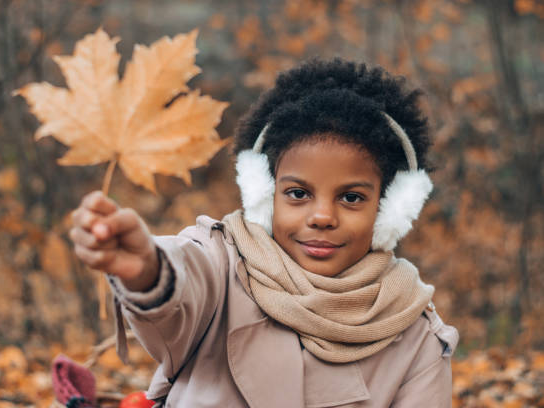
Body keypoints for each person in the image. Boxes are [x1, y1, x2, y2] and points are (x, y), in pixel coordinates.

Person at [69, 58, 459, 407]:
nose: (322, 216)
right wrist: (147, 270)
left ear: (392, 208)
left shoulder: (416, 338)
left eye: (352, 197)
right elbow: (184, 282)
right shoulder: (222, 266)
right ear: (262, 194)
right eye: (297, 193)